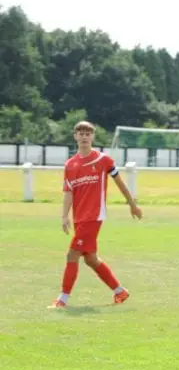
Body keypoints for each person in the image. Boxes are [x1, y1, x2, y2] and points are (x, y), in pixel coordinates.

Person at [48, 121, 143, 309]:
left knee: (72, 254)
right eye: (80, 133)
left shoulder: (103, 160)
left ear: (93, 137)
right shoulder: (70, 164)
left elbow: (119, 182)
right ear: (75, 136)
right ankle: (120, 291)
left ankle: (62, 300)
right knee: (90, 259)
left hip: (94, 216)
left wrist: (132, 204)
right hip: (80, 218)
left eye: (88, 133)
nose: (84, 136)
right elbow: (68, 192)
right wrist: (64, 216)